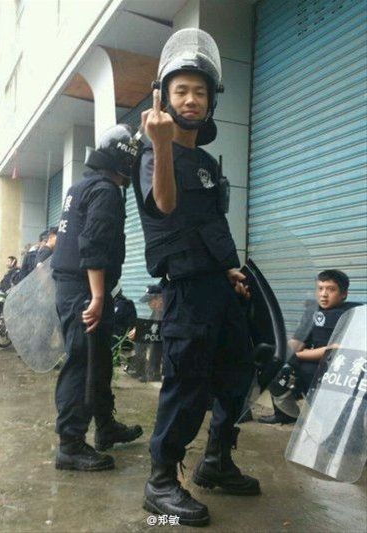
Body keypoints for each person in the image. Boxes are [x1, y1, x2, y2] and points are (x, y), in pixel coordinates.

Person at [132, 29, 260, 527]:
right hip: (185, 291)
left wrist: (230, 268)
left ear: (210, 102)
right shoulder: (153, 154)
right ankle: (160, 482)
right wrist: (162, 144)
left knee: (238, 375)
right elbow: (165, 206)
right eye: (181, 90)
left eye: (200, 92)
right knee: (186, 386)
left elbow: (210, 224)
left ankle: (216, 461)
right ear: (164, 97)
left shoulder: (206, 161)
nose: (191, 99)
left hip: (218, 288)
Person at [50, 124, 143, 472]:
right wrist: (99, 296)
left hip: (74, 285)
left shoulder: (80, 186)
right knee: (82, 361)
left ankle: (105, 426)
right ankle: (70, 445)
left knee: (100, 358)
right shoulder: (105, 191)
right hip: (84, 289)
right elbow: (92, 244)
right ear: (124, 161)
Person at [259, 269, 360, 424]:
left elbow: (335, 349)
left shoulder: (351, 313)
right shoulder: (312, 311)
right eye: (320, 288)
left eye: (331, 289)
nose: (323, 294)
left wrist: (298, 355)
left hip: (336, 365)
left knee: (307, 371)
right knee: (275, 366)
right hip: (311, 359)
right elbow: (298, 342)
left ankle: (332, 421)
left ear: (344, 294)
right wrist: (278, 350)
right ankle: (285, 413)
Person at [128, 283, 164, 382]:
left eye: (150, 301)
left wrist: (141, 331)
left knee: (154, 342)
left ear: (160, 298)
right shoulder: (156, 311)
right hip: (160, 337)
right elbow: (150, 325)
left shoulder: (169, 310)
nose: (149, 305)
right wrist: (138, 330)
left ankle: (153, 372)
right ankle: (140, 369)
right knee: (140, 339)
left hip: (168, 340)